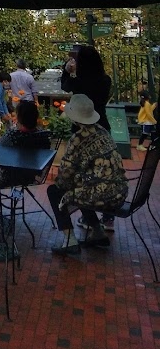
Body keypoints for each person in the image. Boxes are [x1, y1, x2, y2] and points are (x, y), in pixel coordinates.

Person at [47, 94, 127, 256]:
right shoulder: (103, 131)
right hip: (120, 192)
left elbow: (65, 174)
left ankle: (70, 241)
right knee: (82, 187)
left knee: (54, 191)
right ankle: (97, 232)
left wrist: (65, 185)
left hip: (103, 197)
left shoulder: (77, 139)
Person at [60, 44, 115, 231]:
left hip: (81, 129)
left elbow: (64, 85)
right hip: (102, 128)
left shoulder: (79, 82)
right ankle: (108, 218)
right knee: (103, 173)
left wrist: (67, 71)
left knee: (82, 176)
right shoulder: (105, 80)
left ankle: (89, 219)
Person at [0, 100, 51, 187]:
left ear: (20, 118)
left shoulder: (13, 136)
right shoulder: (43, 136)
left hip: (10, 178)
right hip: (33, 176)